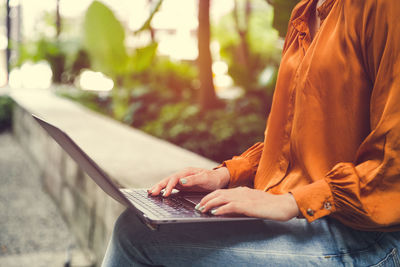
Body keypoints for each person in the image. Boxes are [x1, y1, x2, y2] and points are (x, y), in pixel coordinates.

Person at [102, 0, 400, 265]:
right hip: (300, 216)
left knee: (136, 240)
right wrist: (227, 174)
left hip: (365, 238)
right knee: (136, 225)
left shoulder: (384, 7)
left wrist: (293, 202)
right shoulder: (303, 12)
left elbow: (394, 162)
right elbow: (290, 142)